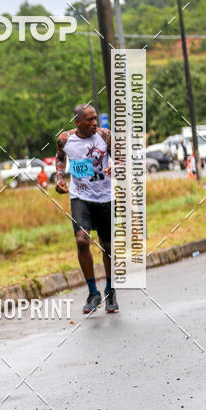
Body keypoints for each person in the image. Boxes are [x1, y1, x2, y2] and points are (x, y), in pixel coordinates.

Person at [55, 104, 119, 314]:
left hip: (105, 196)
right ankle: (93, 292)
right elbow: (60, 159)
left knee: (108, 247)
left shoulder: (105, 136)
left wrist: (114, 167)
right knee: (82, 240)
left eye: (95, 119)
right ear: (78, 122)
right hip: (80, 196)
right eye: (90, 120)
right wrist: (59, 178)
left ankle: (110, 291)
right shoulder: (65, 139)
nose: (94, 123)